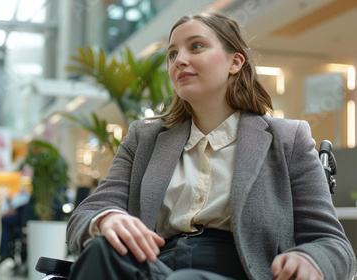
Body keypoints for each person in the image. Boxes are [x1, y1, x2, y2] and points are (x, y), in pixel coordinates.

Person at [66, 11, 356, 280]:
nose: (179, 60)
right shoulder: (144, 139)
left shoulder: (288, 139)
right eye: (172, 53)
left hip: (237, 270)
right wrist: (106, 219)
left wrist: (310, 259)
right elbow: (86, 214)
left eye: (195, 47)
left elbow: (331, 242)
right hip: (154, 266)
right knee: (101, 251)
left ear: (235, 62)